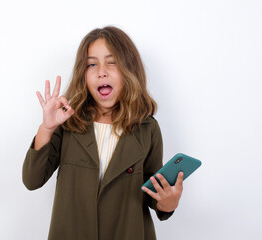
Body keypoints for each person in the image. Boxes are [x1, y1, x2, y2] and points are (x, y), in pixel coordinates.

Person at [22, 26, 183, 240]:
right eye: (92, 64)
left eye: (112, 62)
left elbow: (154, 193)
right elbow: (32, 180)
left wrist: (168, 202)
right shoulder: (69, 123)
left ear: (129, 70)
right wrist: (47, 128)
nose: (101, 71)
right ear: (83, 74)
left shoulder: (147, 128)